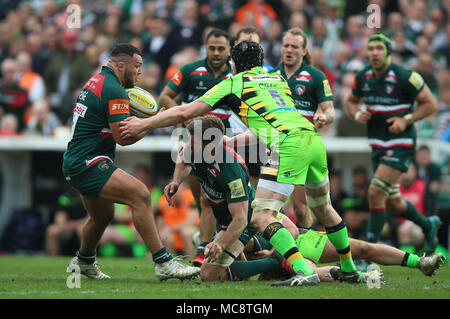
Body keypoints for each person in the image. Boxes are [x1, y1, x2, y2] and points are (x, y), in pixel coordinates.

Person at [119, 41, 361, 286]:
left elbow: (185, 112)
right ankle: (349, 268)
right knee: (324, 209)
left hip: (288, 145)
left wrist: (144, 124)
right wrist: (230, 141)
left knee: (261, 216)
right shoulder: (277, 80)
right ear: (261, 60)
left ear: (232, 64)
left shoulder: (234, 82)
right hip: (312, 141)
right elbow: (269, 125)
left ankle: (301, 269)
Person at [63, 43, 200, 281]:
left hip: (76, 160)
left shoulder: (96, 80)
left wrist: (143, 121)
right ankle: (163, 262)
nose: (139, 72)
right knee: (140, 194)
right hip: (88, 162)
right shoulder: (114, 89)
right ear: (120, 65)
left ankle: (84, 261)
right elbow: (123, 138)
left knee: (103, 216)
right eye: (137, 66)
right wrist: (152, 122)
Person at [344, 33, 441, 255]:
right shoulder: (363, 77)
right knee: (394, 203)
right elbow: (351, 101)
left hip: (401, 143)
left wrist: (405, 119)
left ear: (388, 52)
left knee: (376, 192)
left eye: (379, 48)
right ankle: (428, 225)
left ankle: (368, 253)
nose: (375, 53)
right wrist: (357, 114)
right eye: (371, 49)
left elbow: (431, 104)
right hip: (378, 145)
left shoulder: (405, 76)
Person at [158, 28, 233, 267]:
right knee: (203, 197)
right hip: (192, 142)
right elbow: (165, 97)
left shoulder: (237, 74)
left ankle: (216, 246)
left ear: (229, 49)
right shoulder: (190, 70)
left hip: (225, 141)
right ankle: (205, 246)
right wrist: (185, 117)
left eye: (221, 48)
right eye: (212, 48)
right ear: (205, 47)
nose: (216, 53)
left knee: (226, 199)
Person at [269, 28, 335, 229]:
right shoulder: (270, 77)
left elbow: (330, 110)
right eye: (286, 45)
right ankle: (279, 252)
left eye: (294, 47)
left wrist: (324, 117)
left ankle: (306, 254)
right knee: (269, 207)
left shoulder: (315, 76)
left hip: (302, 148)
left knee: (300, 207)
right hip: (274, 147)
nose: (289, 50)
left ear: (304, 50)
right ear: (281, 48)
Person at [251, 212, 445, 281]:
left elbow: (292, 231)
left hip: (301, 243)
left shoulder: (261, 203)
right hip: (277, 261)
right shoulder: (231, 217)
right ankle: (364, 277)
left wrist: (272, 252)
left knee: (362, 248)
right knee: (313, 274)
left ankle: (420, 262)